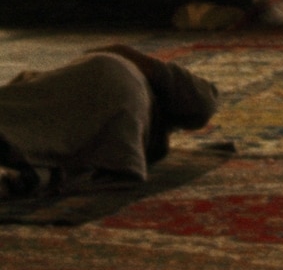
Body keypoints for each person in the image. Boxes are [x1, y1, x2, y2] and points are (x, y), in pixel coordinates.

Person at [0, 47, 218, 197]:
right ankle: (26, 176)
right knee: (65, 157)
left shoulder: (129, 70)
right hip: (127, 124)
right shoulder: (152, 138)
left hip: (113, 77)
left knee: (20, 115)